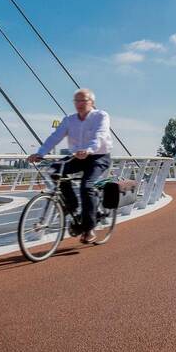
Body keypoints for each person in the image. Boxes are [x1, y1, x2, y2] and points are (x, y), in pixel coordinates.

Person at [28, 88, 112, 243]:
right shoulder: (69, 120)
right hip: (77, 156)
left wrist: (89, 149)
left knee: (86, 187)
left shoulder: (101, 116)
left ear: (91, 102)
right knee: (54, 170)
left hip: (98, 157)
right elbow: (55, 137)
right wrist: (40, 153)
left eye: (83, 100)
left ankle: (88, 229)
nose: (79, 104)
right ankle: (71, 206)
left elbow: (99, 135)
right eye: (76, 101)